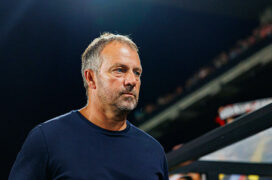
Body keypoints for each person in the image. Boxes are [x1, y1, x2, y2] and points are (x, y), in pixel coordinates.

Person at [9, 33, 169, 180]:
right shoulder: (48, 140)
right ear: (91, 78)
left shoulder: (154, 151)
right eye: (120, 70)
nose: (132, 81)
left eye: (137, 73)